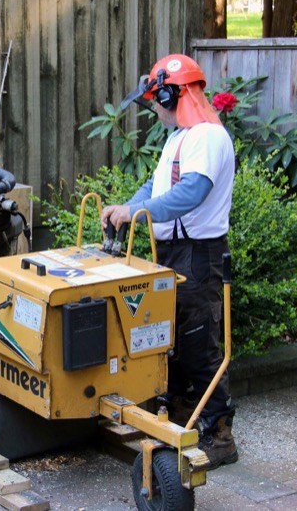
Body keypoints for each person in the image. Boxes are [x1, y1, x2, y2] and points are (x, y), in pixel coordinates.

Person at [101, 53, 237, 469]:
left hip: (198, 254)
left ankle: (219, 433)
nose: (154, 109)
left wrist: (139, 212)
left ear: (170, 95)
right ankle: (180, 417)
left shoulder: (207, 137)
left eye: (156, 101)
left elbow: (191, 193)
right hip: (175, 252)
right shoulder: (181, 136)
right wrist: (126, 208)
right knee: (171, 340)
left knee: (198, 344)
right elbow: (156, 186)